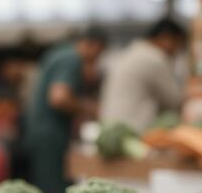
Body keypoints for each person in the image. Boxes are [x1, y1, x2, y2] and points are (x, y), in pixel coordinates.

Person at [25, 26, 108, 193]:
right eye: (99, 54)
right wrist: (89, 108)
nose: (96, 60)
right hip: (51, 135)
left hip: (44, 133)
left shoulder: (60, 53)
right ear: (94, 45)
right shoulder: (71, 58)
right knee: (53, 186)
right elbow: (59, 98)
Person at [101, 17, 187, 133]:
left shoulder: (130, 52)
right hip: (132, 132)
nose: (176, 53)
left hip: (109, 128)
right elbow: (174, 101)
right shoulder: (154, 58)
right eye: (178, 45)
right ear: (166, 38)